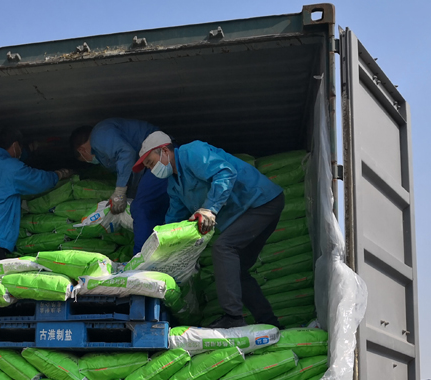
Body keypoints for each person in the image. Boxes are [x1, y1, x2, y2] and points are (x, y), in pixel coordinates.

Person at [132, 131, 285, 329]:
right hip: (247, 212)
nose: (152, 170)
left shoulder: (192, 152)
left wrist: (209, 209)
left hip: (260, 202)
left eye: (151, 163)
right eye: (148, 167)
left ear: (164, 151)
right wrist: (158, 250)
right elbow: (173, 219)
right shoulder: (175, 185)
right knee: (237, 270)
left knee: (224, 247)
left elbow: (225, 173)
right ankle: (270, 322)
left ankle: (233, 317)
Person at [0, 128, 72, 261]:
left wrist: (32, 148)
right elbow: (38, 180)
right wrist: (59, 174)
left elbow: (9, 163)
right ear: (15, 145)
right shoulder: (12, 168)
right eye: (20, 148)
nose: (20, 153)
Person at [70, 119, 170, 254]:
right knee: (155, 209)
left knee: (140, 207)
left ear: (81, 150)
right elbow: (129, 170)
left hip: (158, 156)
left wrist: (120, 191)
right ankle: (160, 250)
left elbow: (127, 153)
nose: (89, 160)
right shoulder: (103, 145)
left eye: (84, 159)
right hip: (151, 162)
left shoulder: (99, 135)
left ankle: (140, 257)